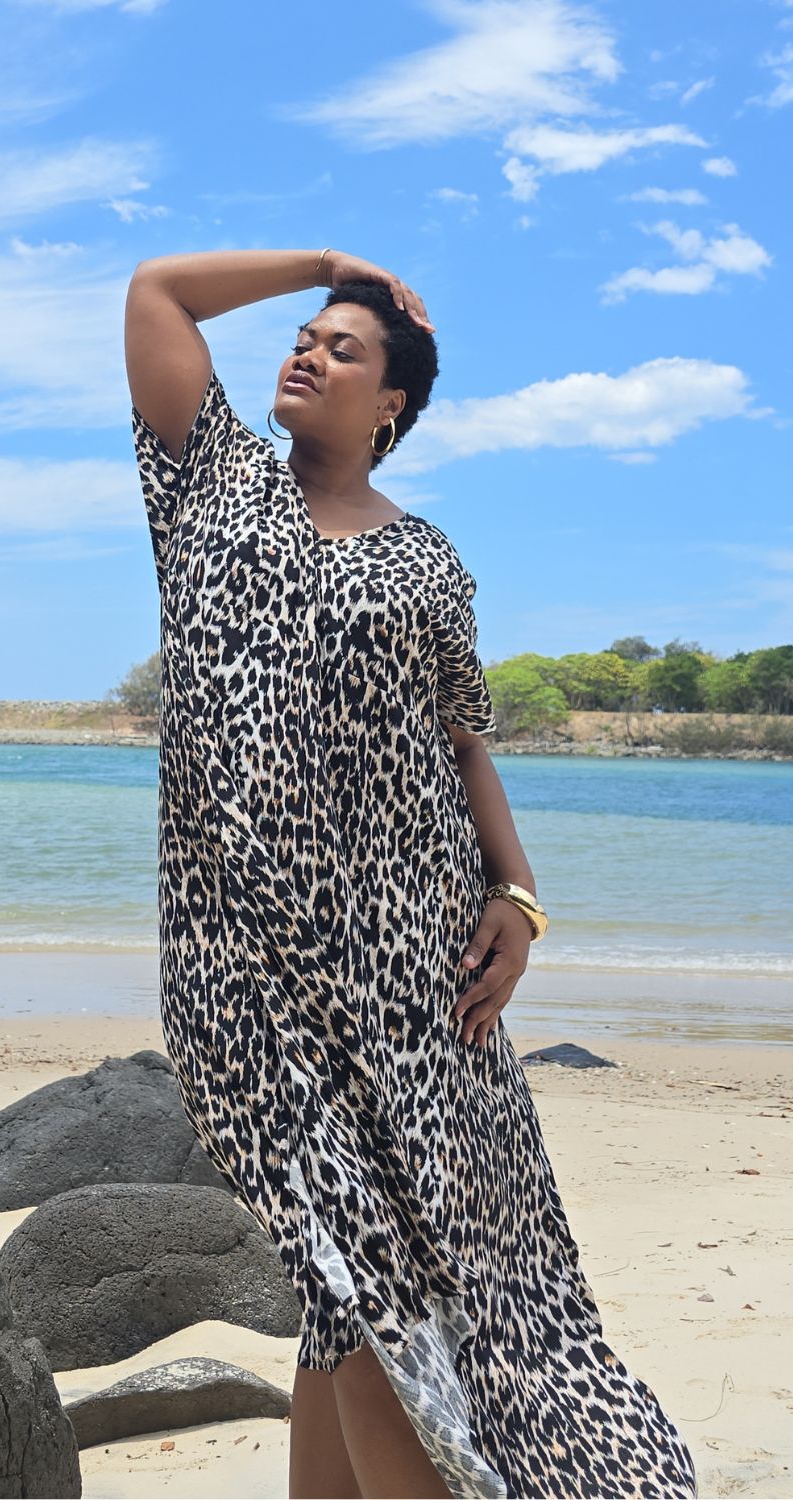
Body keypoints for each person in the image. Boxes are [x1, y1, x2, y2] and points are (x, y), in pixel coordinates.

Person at [124, 247, 698, 1500]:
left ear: (391, 405)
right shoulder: (210, 487)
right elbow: (156, 294)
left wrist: (518, 897)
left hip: (418, 970)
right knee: (365, 1278)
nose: (308, 351)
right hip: (246, 976)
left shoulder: (430, 560)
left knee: (363, 1295)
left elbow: (462, 742)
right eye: (306, 336)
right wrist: (328, 265)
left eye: (344, 346)